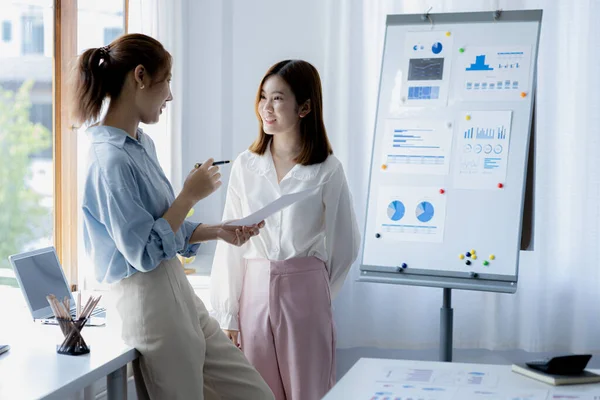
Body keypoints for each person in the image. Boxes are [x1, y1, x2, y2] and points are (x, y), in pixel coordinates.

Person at [75, 33, 274, 400]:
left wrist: (219, 232)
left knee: (256, 394)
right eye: (167, 82)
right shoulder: (109, 160)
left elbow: (164, 227)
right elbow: (143, 252)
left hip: (179, 293)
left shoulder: (141, 145)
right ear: (140, 76)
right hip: (149, 304)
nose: (170, 95)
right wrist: (189, 195)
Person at [210, 59, 361, 400]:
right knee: (256, 392)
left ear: (305, 107)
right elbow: (230, 242)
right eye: (263, 97)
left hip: (305, 292)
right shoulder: (246, 166)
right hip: (253, 290)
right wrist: (228, 313)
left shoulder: (327, 169)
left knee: (309, 391)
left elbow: (345, 246)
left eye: (277, 98)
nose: (266, 107)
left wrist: (315, 293)